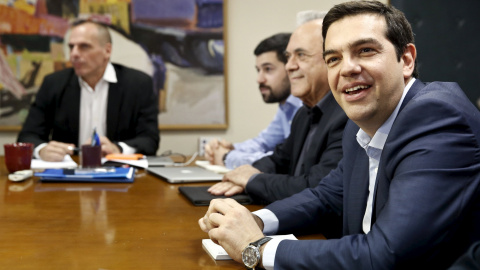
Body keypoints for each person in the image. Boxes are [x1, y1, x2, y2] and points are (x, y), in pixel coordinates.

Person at [199, 1, 480, 269]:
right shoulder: (360, 125)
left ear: (406, 60)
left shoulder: (437, 117)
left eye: (366, 50)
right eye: (333, 58)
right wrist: (251, 221)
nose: (347, 68)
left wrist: (257, 247)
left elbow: (385, 256)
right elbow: (325, 197)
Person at [208, 11, 348, 205]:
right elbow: (278, 160)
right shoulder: (304, 112)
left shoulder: (347, 115)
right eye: (288, 56)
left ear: (332, 59)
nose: (289, 66)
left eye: (300, 55)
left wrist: (251, 180)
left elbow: (316, 186)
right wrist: (245, 173)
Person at [17, 20, 159, 161]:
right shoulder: (53, 84)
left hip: (120, 173)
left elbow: (149, 139)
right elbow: (27, 136)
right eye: (71, 47)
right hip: (67, 173)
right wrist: (42, 150)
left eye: (84, 47)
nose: (74, 54)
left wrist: (118, 149)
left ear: (107, 50)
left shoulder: (138, 84)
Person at [205, 33, 303, 169]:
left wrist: (226, 157)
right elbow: (263, 143)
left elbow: (283, 162)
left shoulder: (305, 106)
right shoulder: (286, 106)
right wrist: (230, 148)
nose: (259, 79)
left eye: (268, 69)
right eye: (258, 70)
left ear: (290, 67)